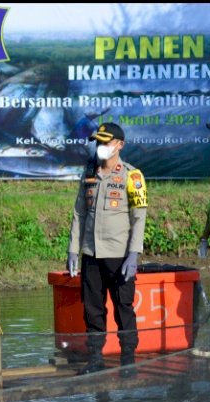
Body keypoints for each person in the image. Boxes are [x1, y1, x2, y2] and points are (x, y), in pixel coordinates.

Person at [67, 123, 148, 375]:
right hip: (91, 253)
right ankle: (95, 360)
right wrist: (73, 250)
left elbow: (139, 217)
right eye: (98, 142)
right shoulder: (89, 172)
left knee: (123, 308)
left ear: (119, 145)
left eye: (106, 142)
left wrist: (133, 254)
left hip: (119, 255)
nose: (101, 147)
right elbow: (79, 213)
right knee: (92, 310)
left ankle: (128, 361)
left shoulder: (133, 175)